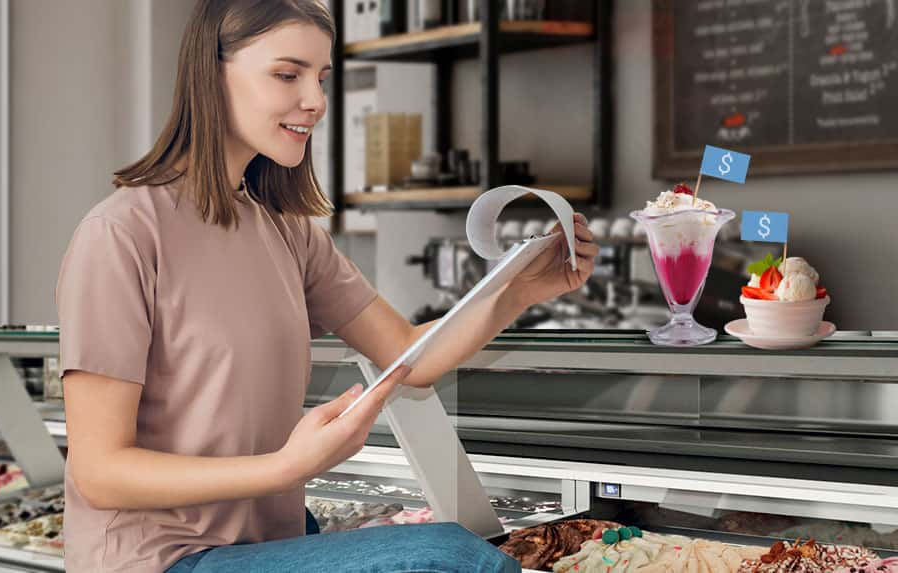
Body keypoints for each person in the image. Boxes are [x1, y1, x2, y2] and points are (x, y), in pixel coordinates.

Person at [55, 1, 597, 571]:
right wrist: (286, 468)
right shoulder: (120, 234)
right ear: (211, 75)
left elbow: (410, 356)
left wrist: (515, 291)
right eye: (288, 75)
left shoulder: (287, 231)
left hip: (263, 545)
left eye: (321, 78)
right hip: (159, 560)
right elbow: (99, 473)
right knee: (453, 558)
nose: (314, 101)